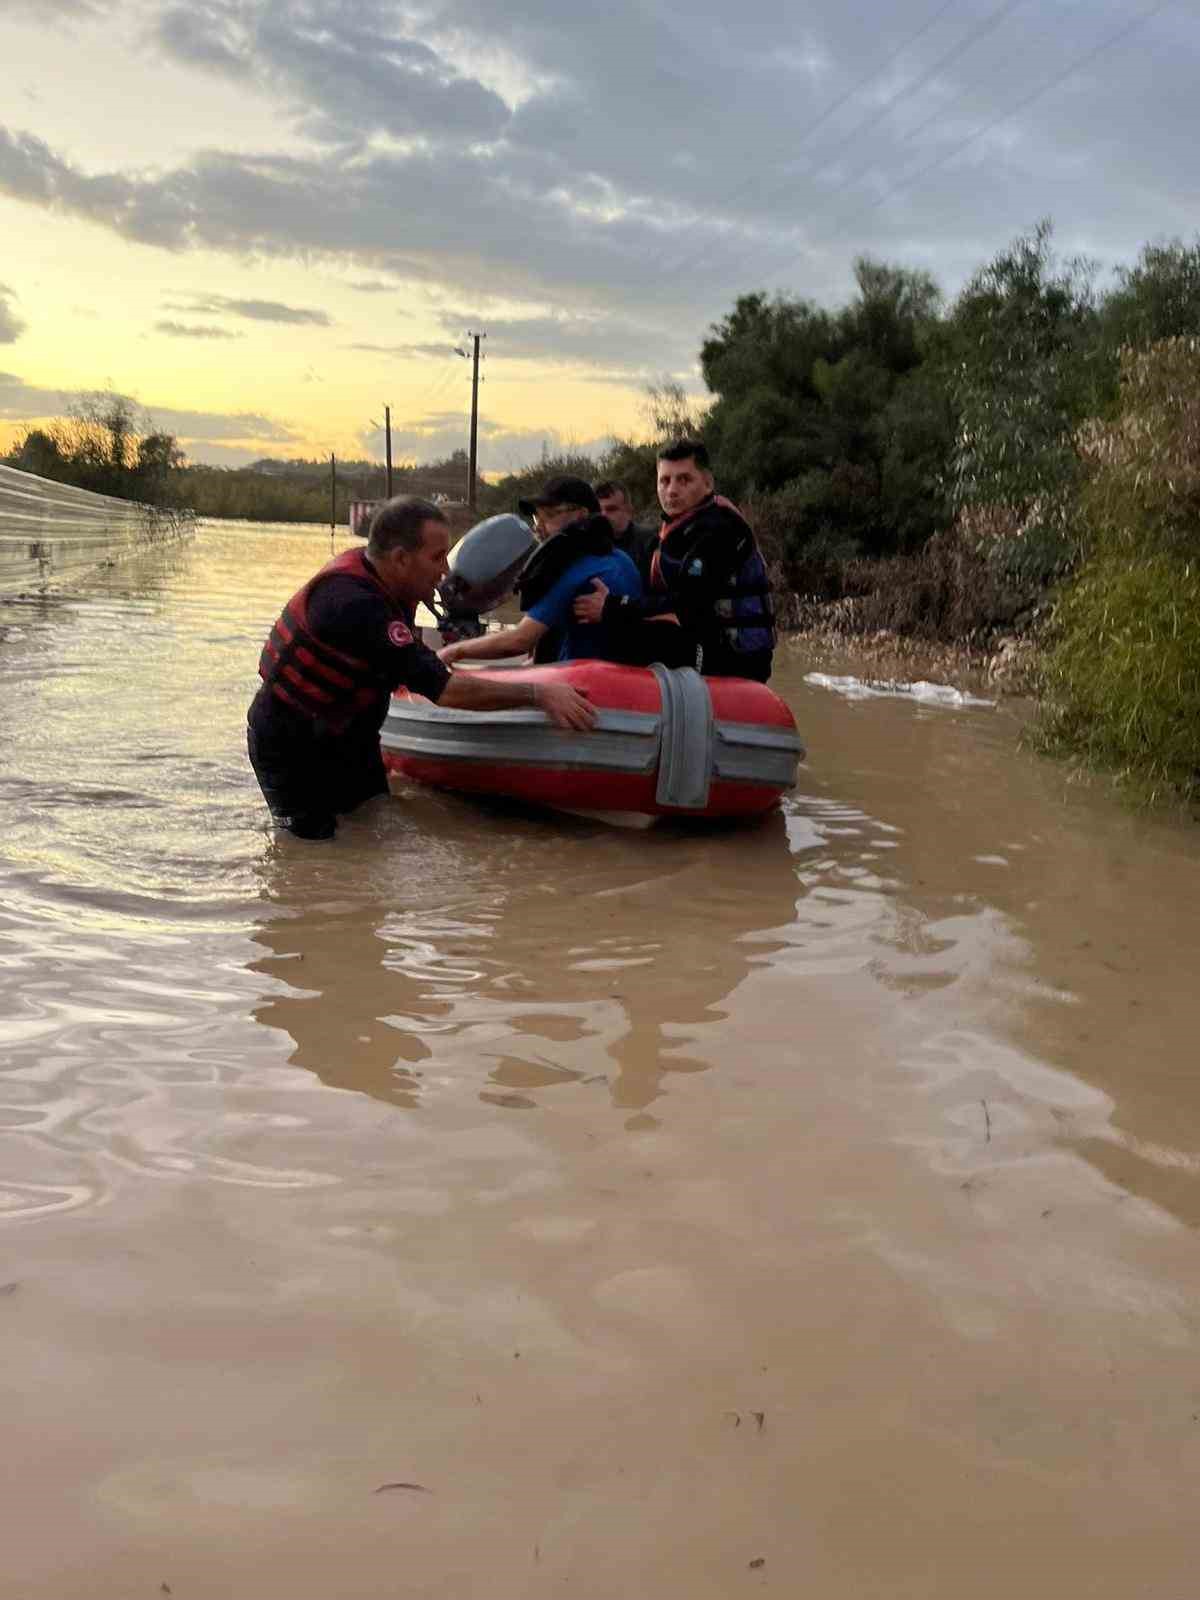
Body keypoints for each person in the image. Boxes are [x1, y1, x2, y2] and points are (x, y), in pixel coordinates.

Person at [247, 495, 595, 840]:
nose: (445, 570)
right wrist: (537, 694)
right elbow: (445, 691)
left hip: (351, 738)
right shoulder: (354, 605)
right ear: (400, 559)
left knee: (374, 830)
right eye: (436, 557)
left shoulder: (385, 582)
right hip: (292, 744)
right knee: (314, 852)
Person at [574, 440, 775, 682]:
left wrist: (613, 607)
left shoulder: (721, 530)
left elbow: (689, 603)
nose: (671, 490)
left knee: (630, 636)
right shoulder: (674, 532)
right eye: (665, 480)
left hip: (738, 659)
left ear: (708, 483)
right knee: (611, 625)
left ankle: (593, 692)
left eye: (684, 480)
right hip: (704, 639)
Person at [438, 475, 641, 669]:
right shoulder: (618, 559)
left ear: (581, 515)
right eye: (537, 518)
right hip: (611, 677)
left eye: (550, 516)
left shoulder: (578, 569)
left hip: (588, 686)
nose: (539, 527)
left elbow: (520, 640)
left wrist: (454, 651)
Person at [593, 479, 657, 578]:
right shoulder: (588, 547)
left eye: (611, 509)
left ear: (629, 511)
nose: (603, 516)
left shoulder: (650, 542)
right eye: (598, 510)